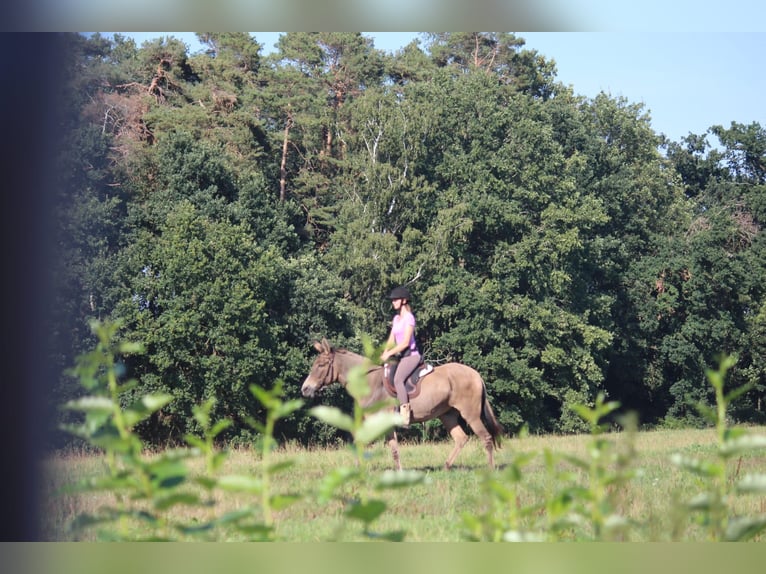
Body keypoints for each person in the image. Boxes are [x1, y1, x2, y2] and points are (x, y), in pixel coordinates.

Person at [380, 286, 420, 428]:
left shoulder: (409, 318)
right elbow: (391, 340)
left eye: (396, 300)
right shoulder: (396, 319)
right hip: (399, 357)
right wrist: (384, 352)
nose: (393, 302)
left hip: (411, 356)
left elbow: (404, 343)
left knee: (398, 379)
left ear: (403, 301)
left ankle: (405, 416)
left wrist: (389, 353)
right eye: (393, 300)